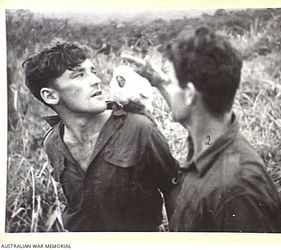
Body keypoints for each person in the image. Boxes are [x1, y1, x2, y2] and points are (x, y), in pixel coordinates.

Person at [122, 26, 281, 232]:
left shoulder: (238, 191)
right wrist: (161, 81)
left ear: (190, 94)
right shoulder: (210, 138)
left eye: (172, 81)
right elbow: (192, 113)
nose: (168, 86)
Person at [22, 41, 178, 232]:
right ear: (51, 96)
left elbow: (174, 190)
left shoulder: (139, 128)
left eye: (93, 71)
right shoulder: (52, 143)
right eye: (79, 75)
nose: (95, 80)